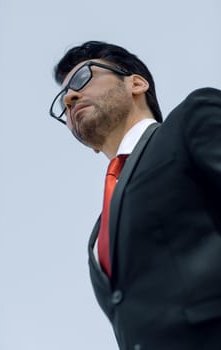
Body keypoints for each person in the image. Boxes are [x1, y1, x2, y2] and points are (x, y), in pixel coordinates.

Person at [49, 41, 221, 350]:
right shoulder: (96, 238)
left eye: (81, 79)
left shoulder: (189, 121)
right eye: (63, 101)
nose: (70, 97)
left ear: (137, 84)